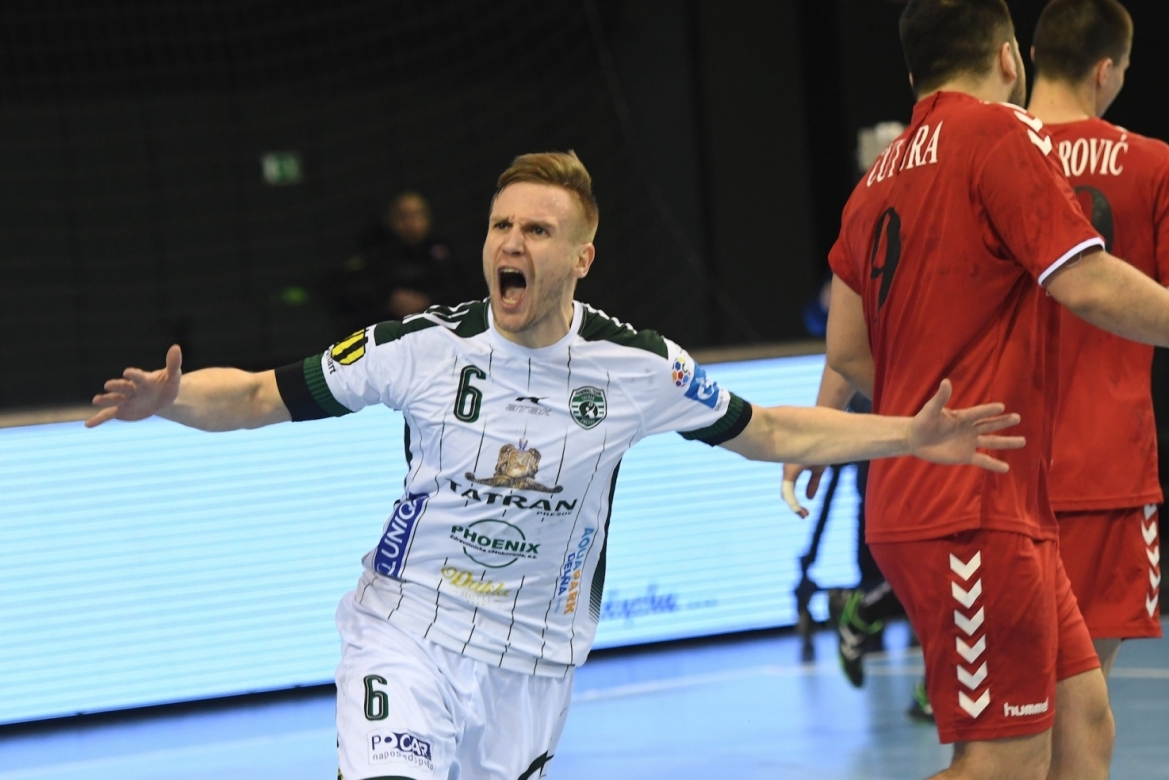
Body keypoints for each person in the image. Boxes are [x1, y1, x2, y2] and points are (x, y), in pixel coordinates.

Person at [87, 151, 1026, 780]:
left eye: (537, 231)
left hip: (535, 660)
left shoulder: (639, 368)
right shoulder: (420, 347)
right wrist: (170, 399)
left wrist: (909, 435)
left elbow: (771, 431)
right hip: (406, 631)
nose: (510, 243)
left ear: (581, 257)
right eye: (501, 225)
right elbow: (258, 396)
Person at [809, 0, 1169, 777]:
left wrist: (921, 402)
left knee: (1084, 727)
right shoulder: (1000, 133)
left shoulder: (874, 179)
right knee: (1002, 762)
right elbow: (1085, 283)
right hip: (968, 508)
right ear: (1009, 58)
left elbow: (845, 350)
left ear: (914, 70)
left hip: (970, 497)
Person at [1029, 0, 1162, 691]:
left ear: (1028, 56)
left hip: (997, 464)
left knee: (1014, 702)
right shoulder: (1150, 163)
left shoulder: (984, 153)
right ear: (1105, 70)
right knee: (1084, 697)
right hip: (1107, 468)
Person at [325, 191, 463, 334]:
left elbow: (459, 291)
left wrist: (428, 301)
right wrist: (387, 300)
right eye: (403, 216)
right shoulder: (373, 251)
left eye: (417, 214)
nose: (411, 223)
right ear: (389, 219)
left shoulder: (442, 250)